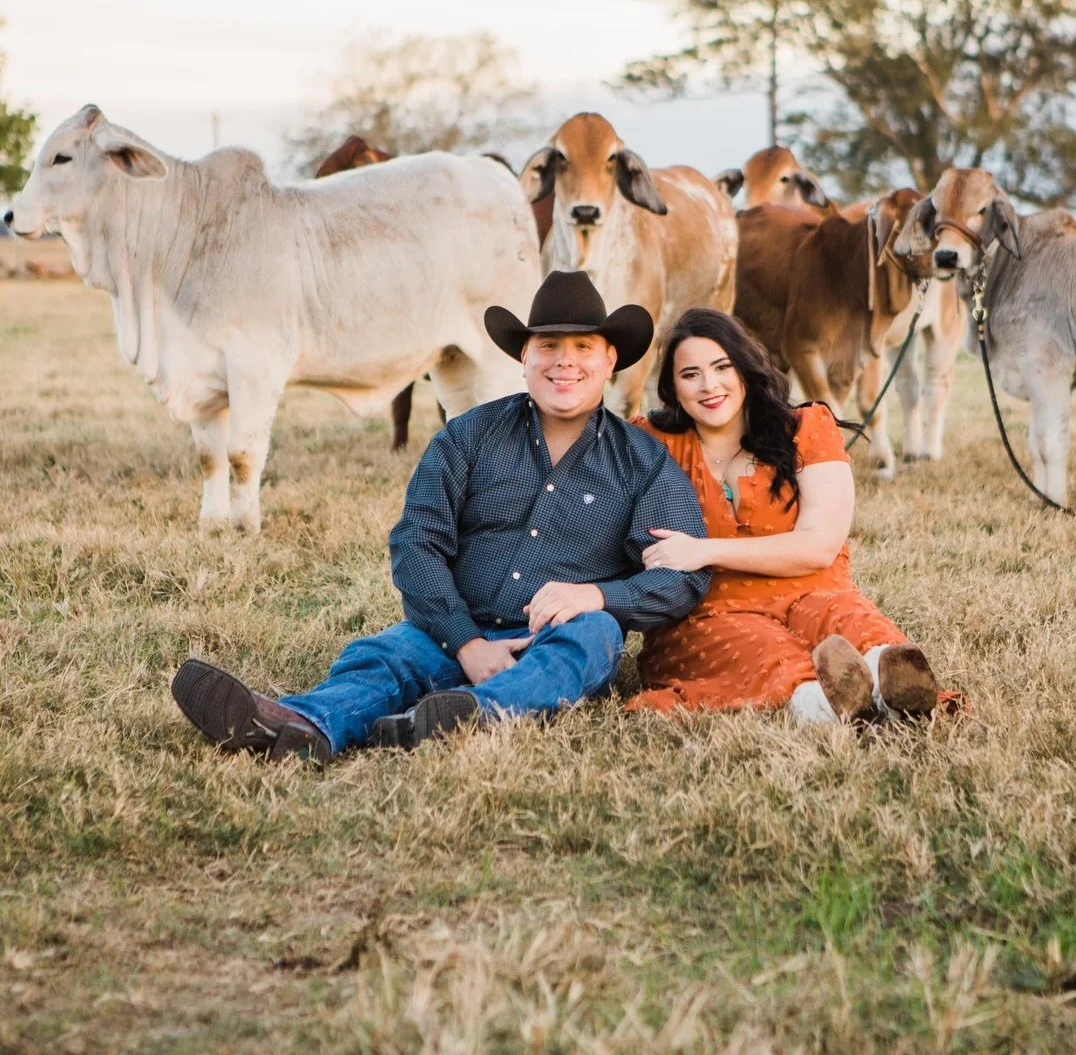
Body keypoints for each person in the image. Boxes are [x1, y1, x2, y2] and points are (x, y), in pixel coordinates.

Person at [171, 271, 710, 764]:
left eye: (583, 347)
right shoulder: (469, 436)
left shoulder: (642, 461)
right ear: (524, 357)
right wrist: (467, 643)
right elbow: (417, 544)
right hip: (455, 628)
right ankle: (302, 723)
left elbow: (681, 576)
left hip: (554, 640)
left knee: (594, 637)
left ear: (610, 360)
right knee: (386, 654)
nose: (564, 362)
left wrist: (597, 596)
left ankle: (473, 714)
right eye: (548, 345)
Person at [627, 307, 939, 723]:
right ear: (672, 388)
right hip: (713, 610)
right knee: (765, 652)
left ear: (745, 368)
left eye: (722, 367)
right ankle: (826, 705)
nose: (709, 385)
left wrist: (702, 551)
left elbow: (819, 546)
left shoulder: (806, 428)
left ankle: (891, 684)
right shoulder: (650, 443)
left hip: (814, 590)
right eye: (690, 374)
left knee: (850, 625)